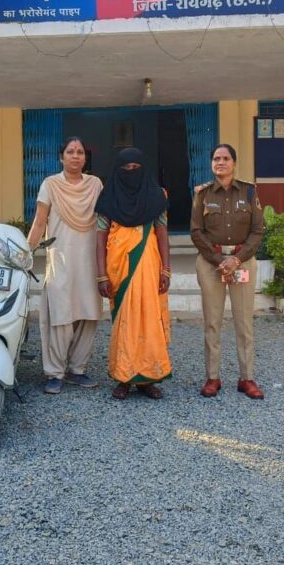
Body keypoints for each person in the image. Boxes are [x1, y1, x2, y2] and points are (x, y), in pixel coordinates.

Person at [27, 136, 103, 394]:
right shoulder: (50, 184)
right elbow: (39, 222)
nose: (75, 156)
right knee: (60, 314)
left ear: (85, 157)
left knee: (88, 313)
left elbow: (105, 221)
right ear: (61, 157)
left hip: (89, 260)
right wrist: (25, 252)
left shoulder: (95, 184)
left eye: (80, 152)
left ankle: (77, 369)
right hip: (60, 259)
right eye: (70, 151)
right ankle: (54, 372)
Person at [95, 147, 172, 401]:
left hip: (148, 265)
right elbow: (100, 238)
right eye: (126, 168)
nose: (131, 173)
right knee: (124, 324)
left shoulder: (157, 196)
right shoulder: (108, 198)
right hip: (118, 268)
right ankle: (123, 377)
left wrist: (166, 269)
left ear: (144, 169)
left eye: (136, 168)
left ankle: (147, 379)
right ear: (117, 171)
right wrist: (101, 275)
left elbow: (162, 233)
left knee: (149, 320)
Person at [190, 143, 264, 400]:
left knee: (244, 322)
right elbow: (196, 231)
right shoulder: (202, 194)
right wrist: (218, 259)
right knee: (212, 322)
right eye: (216, 159)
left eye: (225, 158)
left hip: (242, 261)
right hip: (211, 263)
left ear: (234, 163)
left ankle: (247, 378)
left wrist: (237, 259)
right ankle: (212, 377)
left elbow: (257, 230)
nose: (220, 162)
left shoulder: (249, 191)